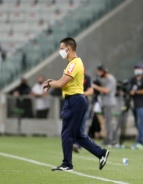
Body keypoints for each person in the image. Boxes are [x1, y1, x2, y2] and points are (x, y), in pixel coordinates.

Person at [42, 37, 109, 171]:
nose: (60, 51)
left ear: (68, 48)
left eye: (62, 48)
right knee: (76, 134)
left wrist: (50, 83)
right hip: (75, 99)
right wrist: (52, 81)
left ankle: (67, 164)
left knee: (67, 133)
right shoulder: (73, 63)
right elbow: (61, 81)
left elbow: (61, 83)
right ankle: (101, 153)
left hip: (75, 100)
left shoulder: (74, 63)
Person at [92, 65, 117, 146]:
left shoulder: (110, 79)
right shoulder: (104, 79)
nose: (98, 73)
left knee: (109, 122)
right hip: (105, 103)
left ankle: (111, 139)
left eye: (100, 71)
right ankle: (108, 138)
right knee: (107, 122)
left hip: (110, 103)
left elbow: (106, 90)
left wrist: (95, 86)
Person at [129, 63, 143, 150]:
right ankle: (141, 140)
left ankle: (141, 142)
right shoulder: (133, 79)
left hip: (142, 105)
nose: (137, 70)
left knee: (140, 123)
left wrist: (136, 92)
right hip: (134, 104)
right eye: (136, 68)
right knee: (137, 124)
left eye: (139, 68)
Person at [73, 73, 94, 153]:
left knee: (81, 125)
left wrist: (81, 94)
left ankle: (77, 145)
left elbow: (91, 91)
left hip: (83, 105)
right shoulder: (71, 76)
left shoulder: (87, 77)